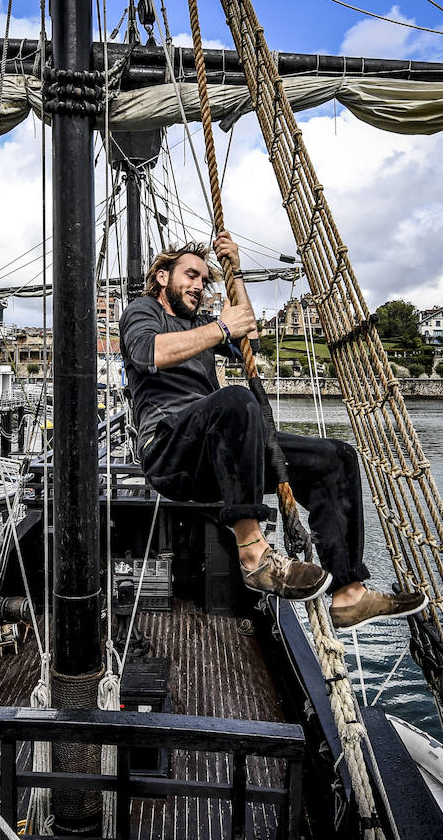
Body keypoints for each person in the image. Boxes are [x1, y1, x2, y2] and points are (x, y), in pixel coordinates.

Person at [119, 230, 428, 631]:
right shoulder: (143, 311)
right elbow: (147, 354)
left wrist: (237, 273)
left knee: (335, 458)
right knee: (236, 399)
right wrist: (220, 329)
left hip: (220, 458)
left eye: (203, 280)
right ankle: (254, 554)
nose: (198, 285)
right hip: (169, 452)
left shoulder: (202, 323)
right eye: (190, 275)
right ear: (163, 278)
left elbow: (250, 335)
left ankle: (350, 594)